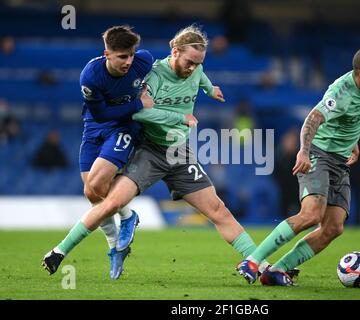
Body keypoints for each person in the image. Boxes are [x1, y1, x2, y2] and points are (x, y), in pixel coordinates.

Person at [42, 25, 272, 278]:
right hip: (149, 150)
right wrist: (178, 117)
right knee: (112, 202)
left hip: (179, 153)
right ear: (175, 52)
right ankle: (60, 251)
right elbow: (139, 111)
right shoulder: (151, 75)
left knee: (219, 210)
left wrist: (210, 88)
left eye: (198, 63)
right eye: (189, 62)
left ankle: (260, 265)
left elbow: (202, 76)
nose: (193, 68)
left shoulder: (197, 70)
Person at [236, 46, 360, 286]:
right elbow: (313, 119)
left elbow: (351, 119)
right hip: (319, 155)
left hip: (340, 161)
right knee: (311, 215)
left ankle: (277, 271)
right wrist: (305, 152)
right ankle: (252, 261)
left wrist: (353, 142)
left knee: (334, 227)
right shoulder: (341, 91)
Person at [75, 25, 193, 280]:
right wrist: (138, 103)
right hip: (95, 128)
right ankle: (119, 238)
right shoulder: (91, 77)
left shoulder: (144, 61)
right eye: (122, 57)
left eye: (131, 55)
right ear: (107, 54)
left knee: (98, 182)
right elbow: (101, 114)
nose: (129, 61)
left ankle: (125, 221)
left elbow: (169, 73)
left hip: (124, 127)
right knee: (91, 192)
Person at [273, 127, 301, 217]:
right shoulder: (279, 157)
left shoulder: (299, 157)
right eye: (288, 140)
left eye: (292, 141)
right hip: (283, 191)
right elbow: (275, 174)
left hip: (298, 190)